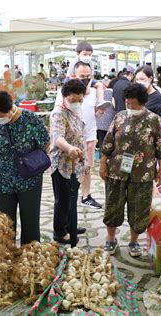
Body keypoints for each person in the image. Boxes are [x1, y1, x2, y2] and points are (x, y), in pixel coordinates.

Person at [0, 91, 49, 245]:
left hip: (29, 180)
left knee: (30, 222)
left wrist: (32, 160)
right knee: (5, 224)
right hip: (3, 182)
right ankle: (8, 255)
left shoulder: (31, 119)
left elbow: (46, 144)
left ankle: (30, 258)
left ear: (10, 109)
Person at [100, 83, 161, 257]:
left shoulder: (154, 119)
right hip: (116, 170)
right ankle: (111, 239)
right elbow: (108, 141)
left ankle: (134, 241)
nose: (130, 107)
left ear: (143, 103)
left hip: (143, 171)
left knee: (139, 208)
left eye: (134, 105)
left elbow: (160, 146)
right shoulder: (120, 117)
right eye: (127, 104)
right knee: (113, 205)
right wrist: (103, 163)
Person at [58, 61, 103, 209]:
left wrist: (100, 111)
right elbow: (59, 114)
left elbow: (96, 111)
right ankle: (70, 199)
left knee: (88, 166)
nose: (85, 79)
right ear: (73, 76)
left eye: (88, 77)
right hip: (70, 139)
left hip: (89, 134)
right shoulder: (64, 92)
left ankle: (86, 195)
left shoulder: (94, 92)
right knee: (70, 171)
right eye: (82, 76)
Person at [49, 79, 86, 246]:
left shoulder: (75, 111)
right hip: (63, 163)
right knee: (63, 200)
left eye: (80, 100)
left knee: (72, 197)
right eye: (73, 100)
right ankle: (60, 231)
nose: (77, 103)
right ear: (64, 97)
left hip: (75, 163)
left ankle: (70, 224)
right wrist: (69, 147)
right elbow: (57, 137)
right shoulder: (59, 113)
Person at [66, 41, 111, 109]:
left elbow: (91, 76)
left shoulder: (91, 63)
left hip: (87, 79)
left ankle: (100, 101)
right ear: (78, 54)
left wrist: (88, 87)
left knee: (100, 85)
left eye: (89, 55)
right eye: (85, 54)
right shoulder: (73, 62)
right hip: (73, 79)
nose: (87, 56)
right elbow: (71, 76)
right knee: (66, 86)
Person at [96, 80, 116, 149]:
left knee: (102, 141)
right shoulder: (114, 93)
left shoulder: (101, 93)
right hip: (110, 122)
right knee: (109, 143)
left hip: (100, 121)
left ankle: (101, 157)